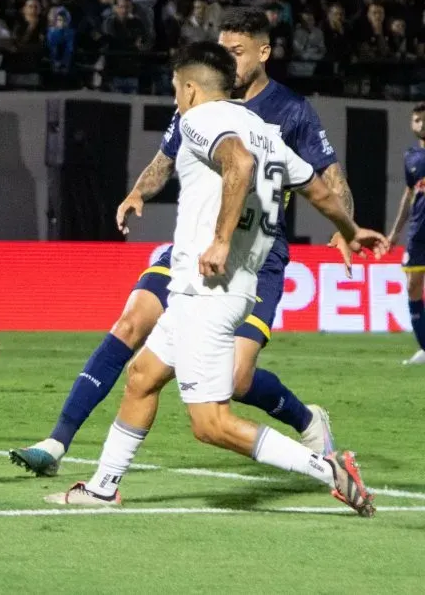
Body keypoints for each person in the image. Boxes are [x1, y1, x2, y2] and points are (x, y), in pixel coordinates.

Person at [43, 42, 386, 517]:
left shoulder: (200, 121)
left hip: (211, 287)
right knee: (142, 376)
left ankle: (329, 469)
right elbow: (318, 189)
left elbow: (238, 163)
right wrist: (351, 230)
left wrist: (222, 238)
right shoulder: (266, 131)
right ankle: (103, 487)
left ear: (189, 88)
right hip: (213, 288)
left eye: (175, 90)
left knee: (210, 424)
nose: (176, 100)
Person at [387, 103, 425, 364]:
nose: (420, 124)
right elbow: (409, 195)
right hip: (419, 231)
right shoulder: (411, 157)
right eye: (416, 120)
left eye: (424, 119)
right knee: (413, 287)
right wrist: (394, 233)